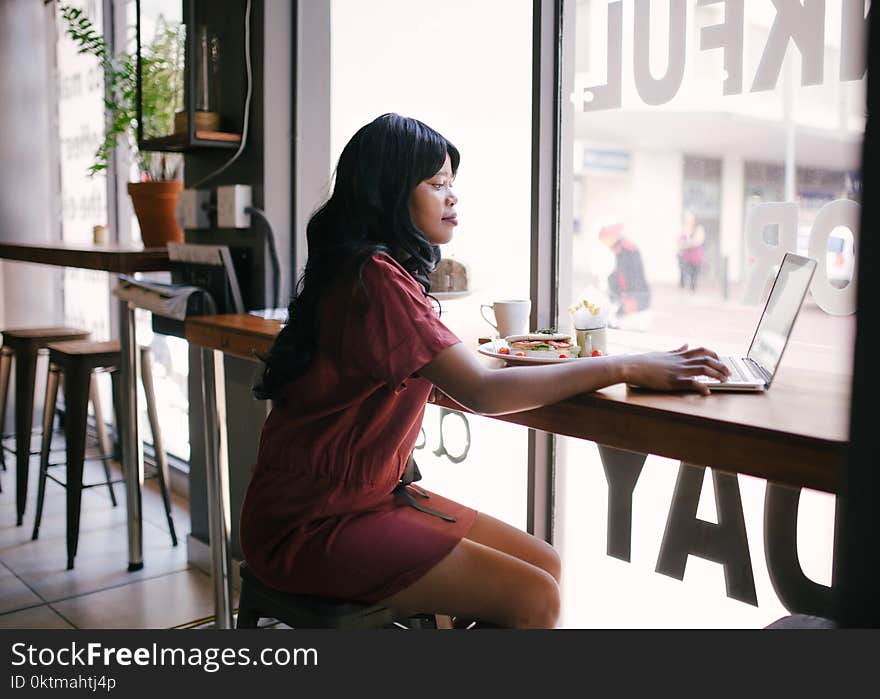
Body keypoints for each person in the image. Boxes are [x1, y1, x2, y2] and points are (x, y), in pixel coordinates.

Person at [241, 113, 729, 629]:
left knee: (545, 566)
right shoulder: (375, 279)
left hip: (351, 497)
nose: (453, 198)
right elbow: (483, 391)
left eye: (453, 184)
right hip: (315, 520)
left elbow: (452, 372)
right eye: (437, 184)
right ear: (388, 191)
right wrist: (626, 365)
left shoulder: (369, 271)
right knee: (534, 596)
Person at [598, 222, 652, 316]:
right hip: (628, 296)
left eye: (605, 239)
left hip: (634, 297)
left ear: (612, 236)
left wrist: (628, 299)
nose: (604, 243)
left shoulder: (626, 249)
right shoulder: (619, 249)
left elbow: (632, 276)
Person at [678, 210, 706, 292]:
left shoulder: (699, 228)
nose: (689, 221)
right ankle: (683, 288)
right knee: (684, 273)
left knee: (694, 275)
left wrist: (687, 244)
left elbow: (698, 242)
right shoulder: (684, 228)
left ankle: (692, 289)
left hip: (696, 256)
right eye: (687, 219)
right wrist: (688, 243)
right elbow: (680, 241)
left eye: (690, 219)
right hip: (685, 256)